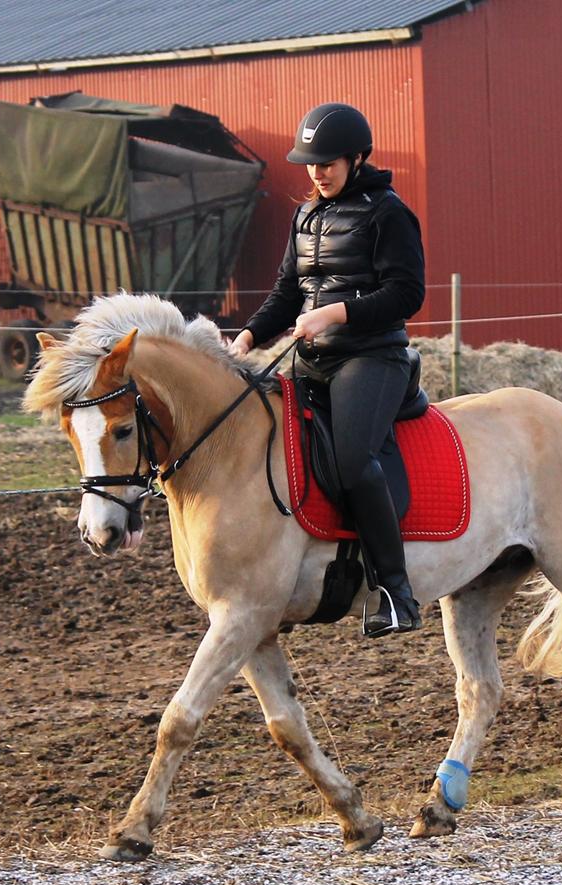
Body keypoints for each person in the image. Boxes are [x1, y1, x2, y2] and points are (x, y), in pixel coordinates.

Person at [229, 102, 425, 637]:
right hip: (314, 359)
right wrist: (247, 335)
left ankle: (395, 592)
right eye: (311, 163)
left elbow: (408, 294)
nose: (317, 171)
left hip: (372, 357)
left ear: (357, 158)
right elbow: (287, 291)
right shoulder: (306, 215)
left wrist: (336, 313)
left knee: (351, 460)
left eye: (328, 162)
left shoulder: (388, 213)